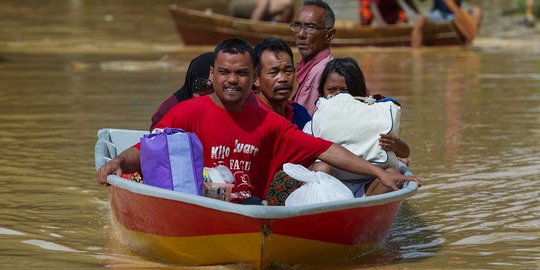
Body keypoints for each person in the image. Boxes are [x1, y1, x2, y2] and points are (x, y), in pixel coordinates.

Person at [96, 38, 420, 204]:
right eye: (224, 73)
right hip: (204, 207)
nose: (231, 81)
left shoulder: (268, 123)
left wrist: (378, 171)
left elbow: (325, 148)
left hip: (254, 209)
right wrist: (119, 162)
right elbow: (151, 148)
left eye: (240, 73)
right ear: (213, 75)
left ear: (252, 78)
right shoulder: (187, 113)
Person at [305, 57, 411, 197]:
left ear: (358, 91)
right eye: (331, 90)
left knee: (393, 175)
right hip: (331, 188)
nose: (338, 96)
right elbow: (304, 159)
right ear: (321, 92)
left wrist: (394, 144)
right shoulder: (313, 124)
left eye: (344, 91)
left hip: (370, 186)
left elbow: (405, 152)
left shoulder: (376, 118)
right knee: (321, 168)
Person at [253, 37, 311, 130]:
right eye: (274, 72)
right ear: (256, 78)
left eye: (288, 71)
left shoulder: (299, 113)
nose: (283, 79)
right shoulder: (249, 116)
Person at [289, 0, 335, 115]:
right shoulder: (311, 66)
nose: (301, 34)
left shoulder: (320, 72)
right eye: (297, 26)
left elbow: (304, 122)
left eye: (310, 27)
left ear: (329, 35)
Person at [149, 52, 215, 131]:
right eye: (203, 94)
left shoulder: (227, 104)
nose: (207, 99)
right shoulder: (169, 109)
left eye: (213, 93)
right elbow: (156, 138)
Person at [228, 0, 295, 23]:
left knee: (287, 4)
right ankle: (251, 30)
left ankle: (279, 34)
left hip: (265, 4)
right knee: (263, 2)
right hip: (239, 3)